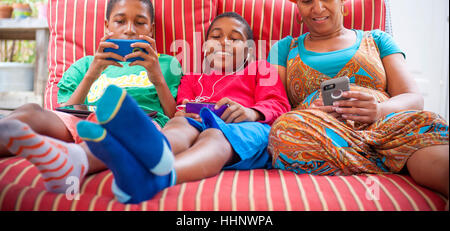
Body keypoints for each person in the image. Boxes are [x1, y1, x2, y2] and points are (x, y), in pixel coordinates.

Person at [267, 0, 449, 203]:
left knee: (425, 129)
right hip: (323, 133)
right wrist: (312, 109)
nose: (317, 8)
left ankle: (385, 155)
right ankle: (389, 159)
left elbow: (413, 98)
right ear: (297, 7)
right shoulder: (283, 48)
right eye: (307, 0)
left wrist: (379, 110)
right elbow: (272, 104)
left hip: (387, 126)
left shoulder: (377, 39)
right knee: (284, 130)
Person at [74, 12, 291, 203]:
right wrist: (184, 112)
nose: (224, 42)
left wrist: (251, 112)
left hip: (244, 130)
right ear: (205, 48)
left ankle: (158, 178)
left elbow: (280, 104)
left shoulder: (260, 69)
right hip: (196, 127)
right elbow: (179, 110)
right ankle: (154, 149)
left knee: (215, 134)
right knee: (178, 123)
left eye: (234, 39)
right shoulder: (191, 79)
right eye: (215, 37)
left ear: (249, 51)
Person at [0, 0, 182, 194]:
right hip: (81, 121)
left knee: (117, 128)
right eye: (120, 21)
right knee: (31, 111)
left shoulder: (166, 64)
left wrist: (157, 77)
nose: (130, 29)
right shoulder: (86, 64)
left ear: (151, 28)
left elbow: (173, 116)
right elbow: (65, 111)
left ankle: (73, 161)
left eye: (140, 23)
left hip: (136, 123)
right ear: (107, 26)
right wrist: (93, 72)